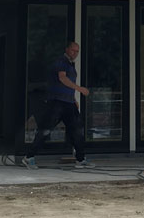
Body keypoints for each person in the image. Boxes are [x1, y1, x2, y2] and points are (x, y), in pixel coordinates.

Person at [22, 41, 95, 169]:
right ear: (67, 49)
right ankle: (29, 157)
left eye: (77, 51)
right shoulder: (61, 61)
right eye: (73, 50)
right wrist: (80, 89)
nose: (75, 53)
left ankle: (80, 159)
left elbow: (67, 84)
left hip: (69, 103)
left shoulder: (70, 64)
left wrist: (74, 99)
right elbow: (62, 78)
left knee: (77, 130)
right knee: (45, 130)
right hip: (57, 102)